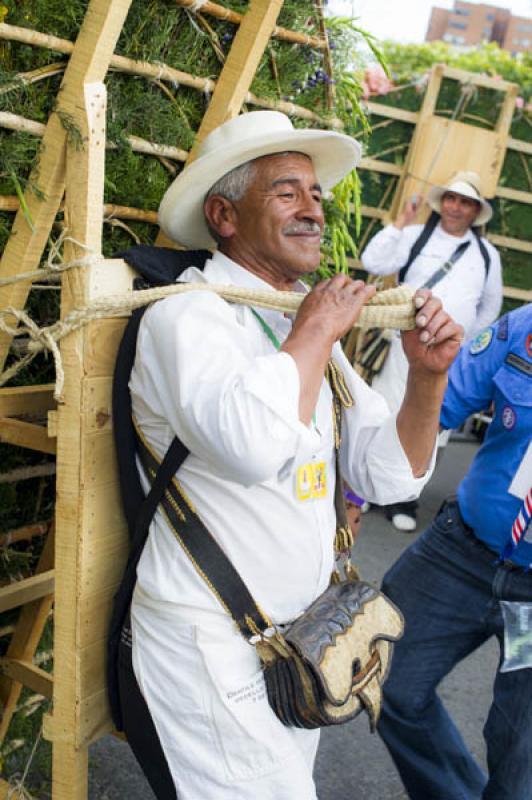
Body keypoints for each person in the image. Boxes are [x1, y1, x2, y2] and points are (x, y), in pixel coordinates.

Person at [123, 110, 463, 799]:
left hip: (300, 644)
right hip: (211, 645)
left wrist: (427, 376)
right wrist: (313, 330)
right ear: (223, 215)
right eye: (286, 191)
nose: (313, 209)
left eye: (315, 193)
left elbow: (387, 472)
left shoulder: (299, 318)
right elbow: (251, 446)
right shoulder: (188, 316)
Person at [377, 303, 532, 800]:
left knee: (519, 760)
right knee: (384, 680)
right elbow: (438, 400)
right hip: (461, 553)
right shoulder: (523, 329)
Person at [361, 172, 503, 532]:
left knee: (429, 423)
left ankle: (403, 498)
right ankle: (363, 489)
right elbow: (373, 262)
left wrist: (468, 347)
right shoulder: (414, 235)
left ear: (475, 211)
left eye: (466, 202)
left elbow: (490, 307)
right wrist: (401, 222)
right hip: (402, 344)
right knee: (387, 408)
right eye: (452, 199)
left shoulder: (487, 255)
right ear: (442, 203)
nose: (456, 207)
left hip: (449, 355)